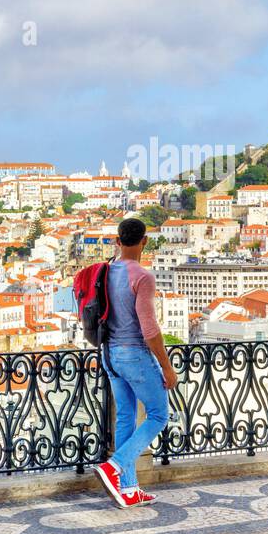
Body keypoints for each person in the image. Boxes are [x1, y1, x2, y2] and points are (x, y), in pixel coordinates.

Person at [92, 217, 177, 508]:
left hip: (109, 355)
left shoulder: (105, 271)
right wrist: (166, 366)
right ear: (145, 242)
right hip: (134, 354)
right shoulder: (142, 276)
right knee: (158, 415)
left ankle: (128, 489)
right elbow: (149, 329)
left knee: (126, 417)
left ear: (117, 241)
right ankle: (114, 466)